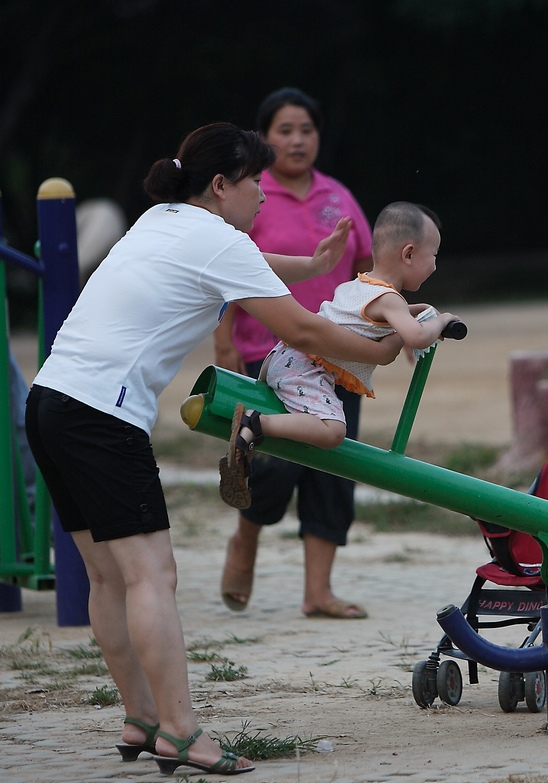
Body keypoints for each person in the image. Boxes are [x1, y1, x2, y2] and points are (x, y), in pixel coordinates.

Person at [23, 122, 402, 774]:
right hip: (102, 418)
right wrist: (382, 349)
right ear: (223, 185)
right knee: (152, 576)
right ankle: (183, 731)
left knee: (110, 576)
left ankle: (142, 717)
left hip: (51, 402)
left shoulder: (161, 219)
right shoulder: (215, 239)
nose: (265, 193)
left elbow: (238, 266)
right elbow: (303, 327)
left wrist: (311, 265)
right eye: (256, 180)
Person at [215, 87, 373, 620]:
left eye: (306, 129)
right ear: (264, 138)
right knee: (275, 467)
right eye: (285, 130)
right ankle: (245, 541)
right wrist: (224, 342)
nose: (298, 139)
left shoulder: (338, 195)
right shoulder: (248, 196)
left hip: (338, 357)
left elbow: (366, 267)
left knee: (335, 464)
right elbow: (228, 271)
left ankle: (318, 593)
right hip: (270, 353)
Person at [219, 201, 457, 485]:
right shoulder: (390, 299)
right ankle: (256, 424)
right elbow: (416, 337)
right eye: (433, 255)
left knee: (317, 429)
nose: (434, 265)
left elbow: (392, 321)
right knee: (333, 431)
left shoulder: (362, 285)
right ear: (408, 253)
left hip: (285, 357)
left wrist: (420, 311)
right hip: (304, 368)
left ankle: (245, 450)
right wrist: (440, 322)